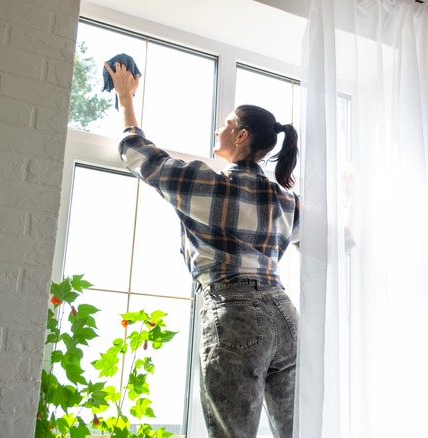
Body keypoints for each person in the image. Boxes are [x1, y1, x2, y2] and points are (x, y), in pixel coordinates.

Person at [104, 62, 301, 438]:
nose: (218, 128)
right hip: (286, 317)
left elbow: (138, 153)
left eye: (226, 123)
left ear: (241, 135)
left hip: (235, 313)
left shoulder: (203, 181)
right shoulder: (286, 199)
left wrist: (126, 99)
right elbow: (320, 236)